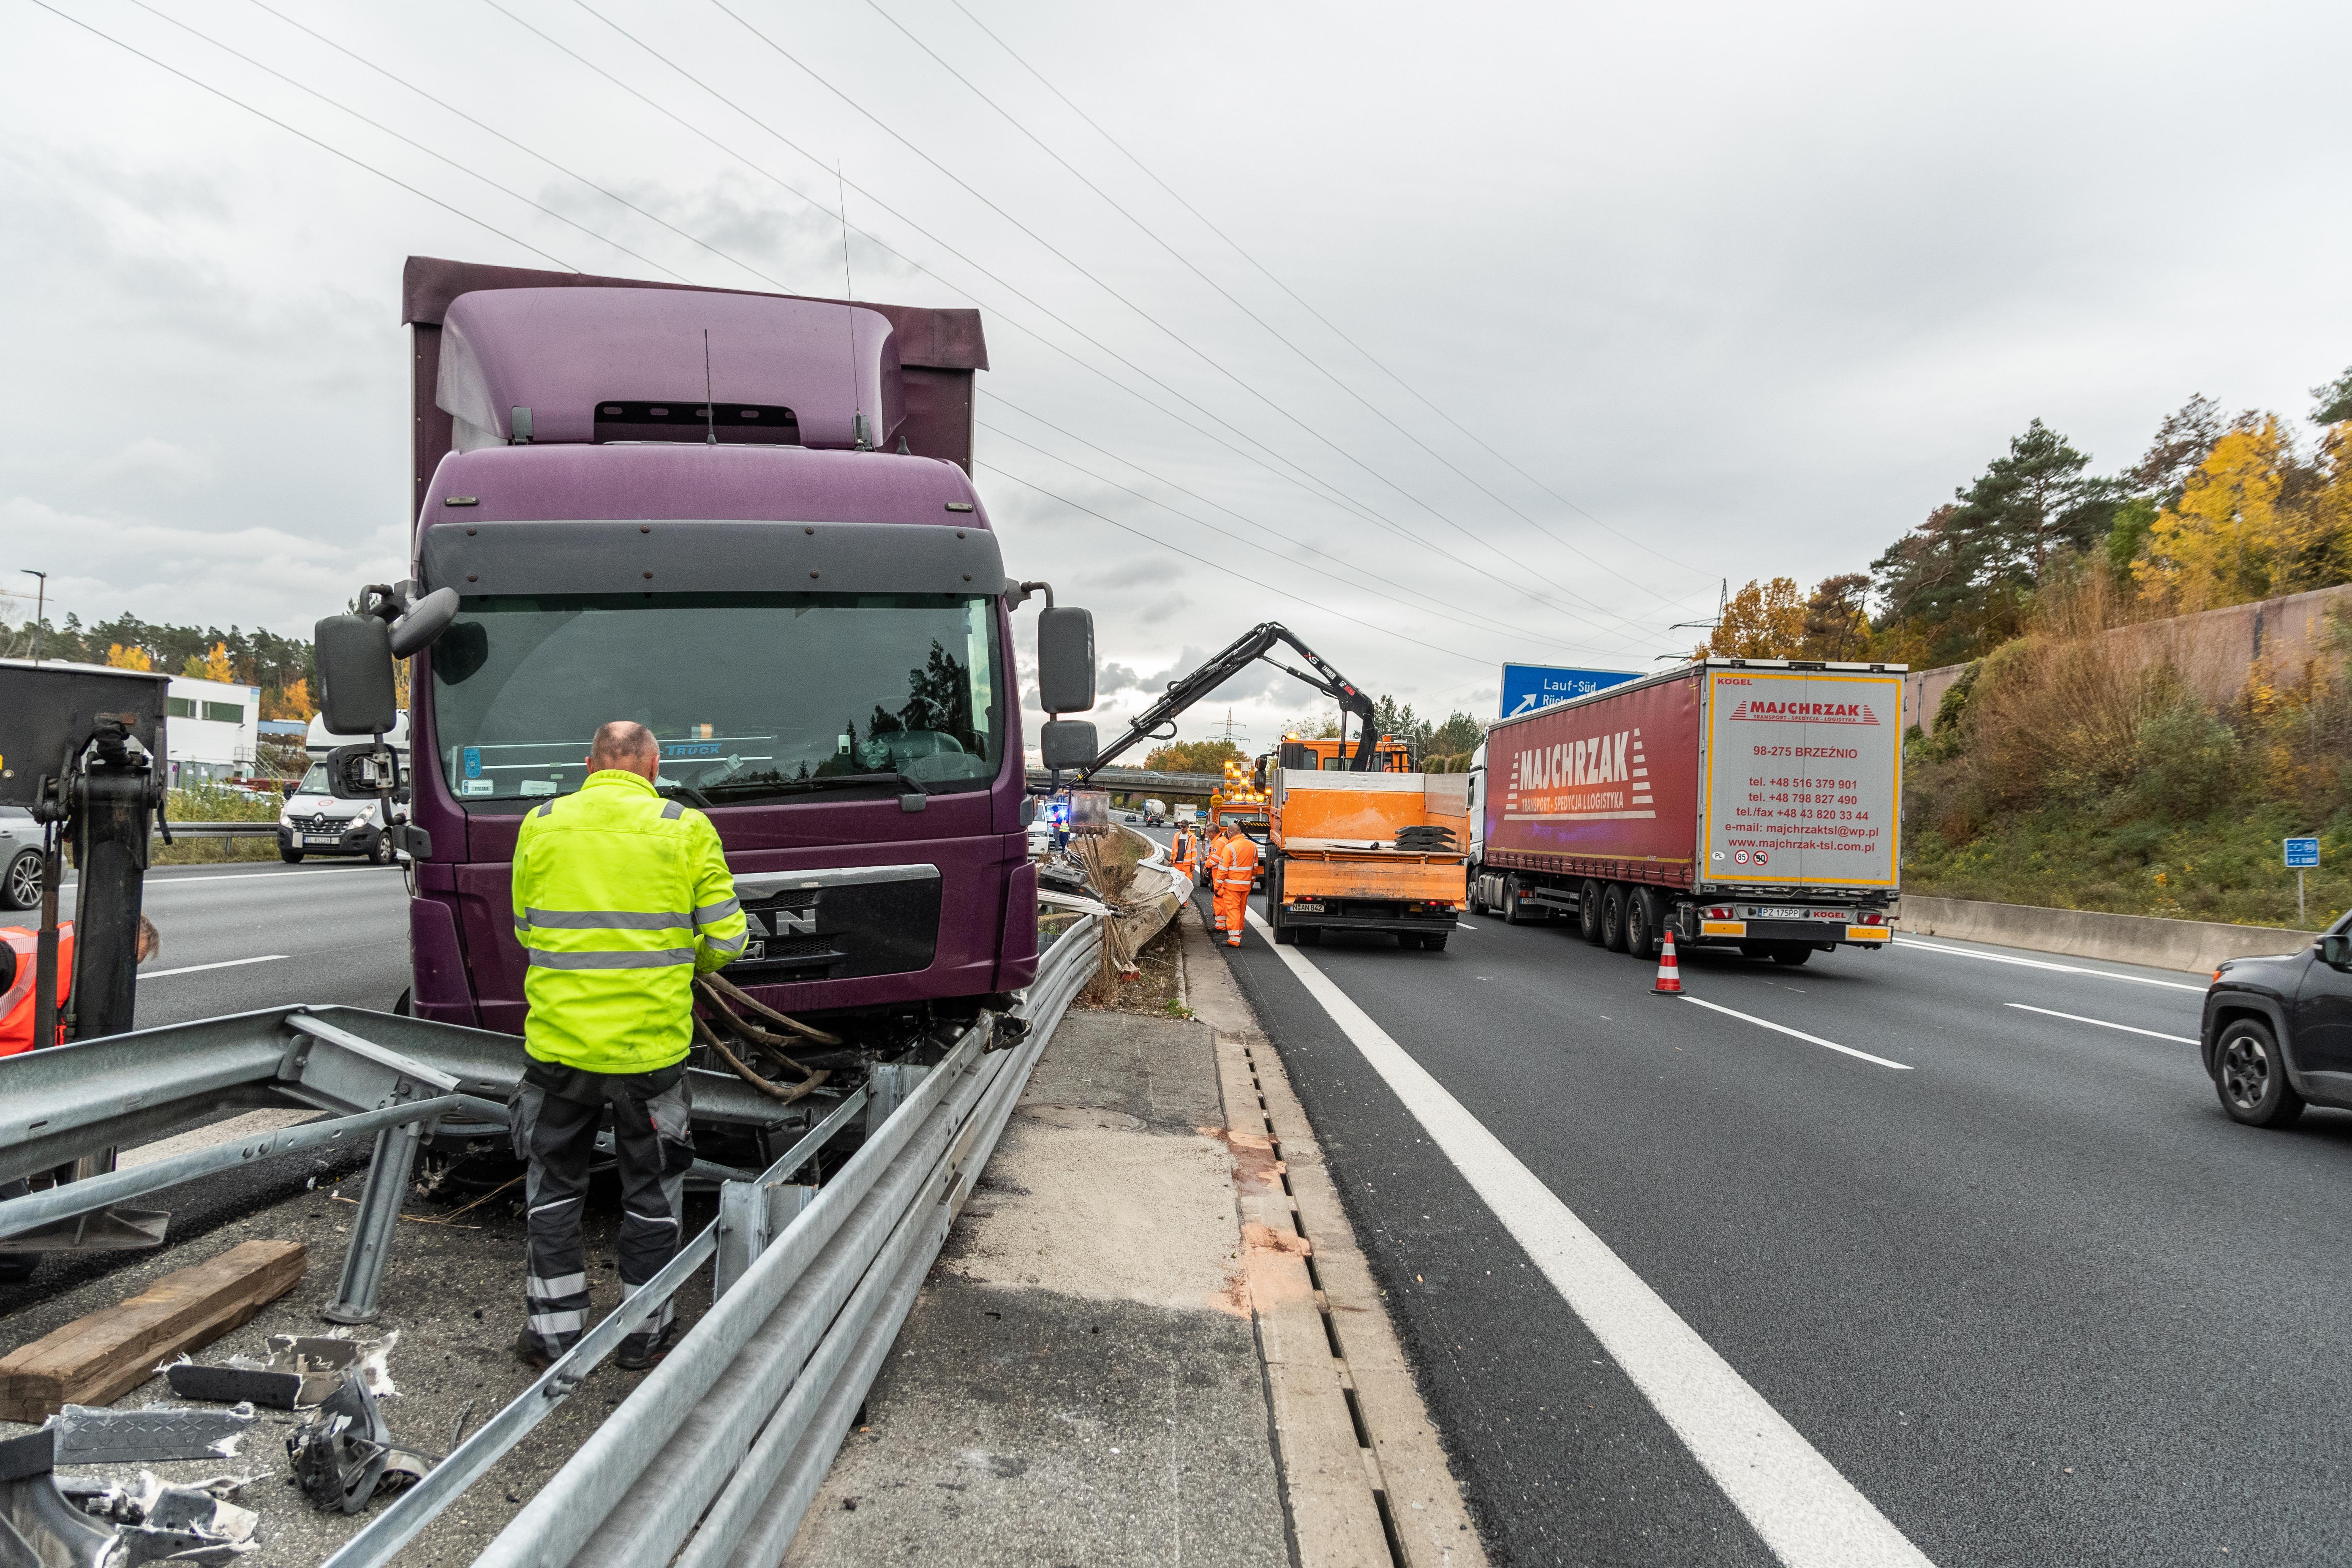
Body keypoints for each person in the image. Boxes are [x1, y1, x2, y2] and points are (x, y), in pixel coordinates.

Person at [508, 721, 747, 1371]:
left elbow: (526, 924)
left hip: (560, 1053)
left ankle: (553, 1337)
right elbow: (728, 939)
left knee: (553, 1189)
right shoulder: (686, 827)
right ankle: (644, 1336)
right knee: (653, 1193)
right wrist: (683, 963)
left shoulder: (542, 823)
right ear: (653, 764)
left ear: (590, 765)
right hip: (651, 1057)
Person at [1213, 819, 1257, 949]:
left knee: (1233, 912)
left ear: (1231, 834)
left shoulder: (1230, 847)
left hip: (1232, 887)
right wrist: (1251, 883)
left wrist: (1217, 887)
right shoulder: (1253, 846)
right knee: (1241, 911)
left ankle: (1234, 940)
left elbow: (1223, 870)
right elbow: (1255, 868)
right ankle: (1238, 934)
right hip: (1246, 886)